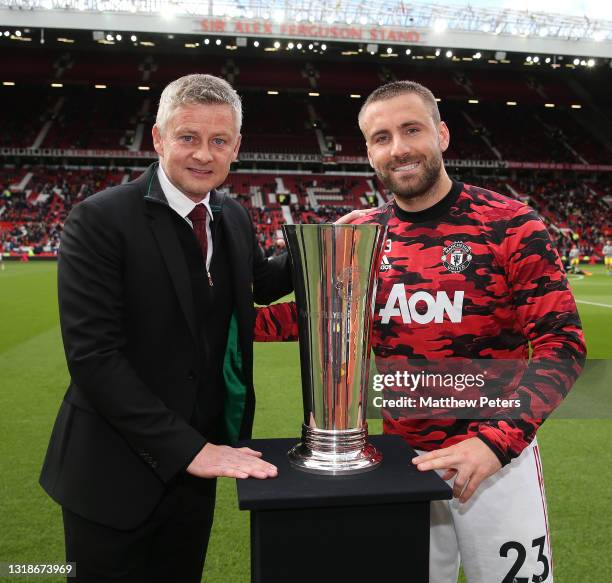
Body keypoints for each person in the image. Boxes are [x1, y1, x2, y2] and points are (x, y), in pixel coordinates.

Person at [255, 80, 586, 583]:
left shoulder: (511, 224)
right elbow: (313, 317)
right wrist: (197, 315)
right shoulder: (359, 232)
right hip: (402, 464)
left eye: (412, 130)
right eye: (382, 137)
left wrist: (496, 443)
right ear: (369, 152)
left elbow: (562, 346)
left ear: (443, 134)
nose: (399, 148)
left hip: (498, 463)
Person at [40, 74, 292, 583]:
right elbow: (94, 358)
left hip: (194, 476)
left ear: (236, 147)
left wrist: (334, 240)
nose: (203, 154)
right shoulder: (100, 220)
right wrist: (191, 450)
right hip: (111, 474)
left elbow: (262, 282)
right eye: (188, 137)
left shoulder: (233, 216)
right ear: (158, 139)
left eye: (219, 141)